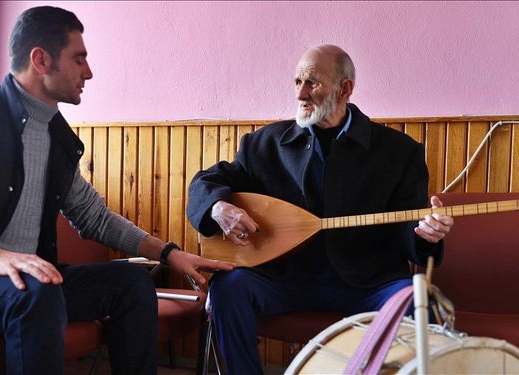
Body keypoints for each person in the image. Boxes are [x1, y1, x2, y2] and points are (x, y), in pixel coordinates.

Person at [0, 6, 234, 375]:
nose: (89, 72)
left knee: (130, 284)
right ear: (41, 59)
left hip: (21, 285)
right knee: (36, 289)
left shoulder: (56, 140)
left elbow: (94, 217)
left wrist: (169, 253)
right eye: (79, 58)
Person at [186, 44, 454, 374]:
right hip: (284, 278)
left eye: (312, 82)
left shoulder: (399, 152)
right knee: (228, 289)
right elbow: (205, 181)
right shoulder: (263, 144)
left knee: (415, 301)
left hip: (366, 282)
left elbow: (407, 226)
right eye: (297, 81)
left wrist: (425, 234)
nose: (301, 93)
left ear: (345, 89)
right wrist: (217, 207)